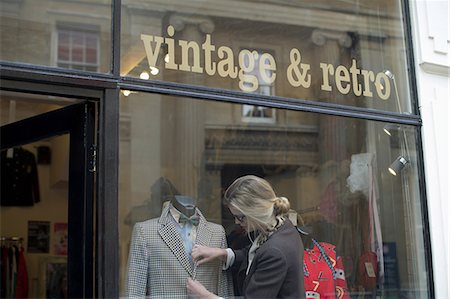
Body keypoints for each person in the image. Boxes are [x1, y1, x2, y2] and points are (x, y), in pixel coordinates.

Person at [186, 175, 306, 299]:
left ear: (255, 211)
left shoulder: (275, 251)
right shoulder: (281, 226)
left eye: (240, 217)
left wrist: (203, 295)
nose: (237, 222)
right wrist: (222, 253)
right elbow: (254, 256)